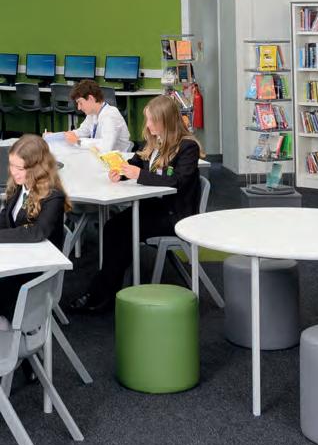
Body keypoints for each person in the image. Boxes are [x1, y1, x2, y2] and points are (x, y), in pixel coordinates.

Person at [67, 95, 202, 314]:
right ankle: (106, 289)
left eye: (152, 120)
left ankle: (102, 293)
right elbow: (135, 162)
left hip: (174, 215)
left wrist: (138, 174)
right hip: (155, 208)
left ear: (166, 121)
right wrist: (120, 172)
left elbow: (177, 181)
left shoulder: (188, 147)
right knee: (113, 227)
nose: (147, 125)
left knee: (121, 230)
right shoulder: (155, 142)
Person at [0, 135, 70, 329]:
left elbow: (36, 232)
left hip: (36, 273)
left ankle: (8, 333)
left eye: (19, 167)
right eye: (11, 165)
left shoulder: (53, 196)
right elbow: (5, 218)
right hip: (19, 259)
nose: (13, 172)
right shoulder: (20, 185)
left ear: (36, 168)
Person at [48, 79, 131, 153]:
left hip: (118, 159)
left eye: (80, 103)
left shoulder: (110, 115)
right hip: (100, 155)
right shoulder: (93, 114)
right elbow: (81, 132)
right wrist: (56, 136)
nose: (79, 107)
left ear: (91, 98)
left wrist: (78, 142)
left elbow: (106, 147)